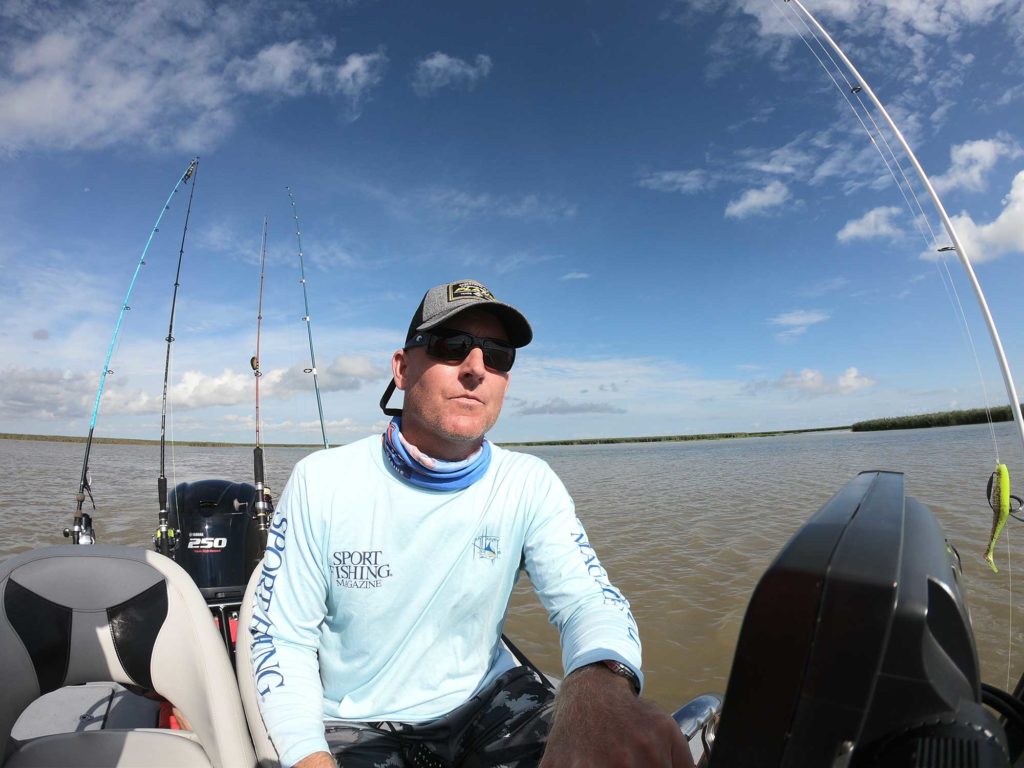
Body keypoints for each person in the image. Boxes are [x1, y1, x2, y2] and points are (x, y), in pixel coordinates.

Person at [250, 279, 692, 768]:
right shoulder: (322, 480)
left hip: (493, 702)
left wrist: (601, 687)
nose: (476, 368)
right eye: (450, 345)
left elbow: (587, 599)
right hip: (359, 727)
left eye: (498, 355)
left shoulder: (529, 482)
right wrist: (307, 756)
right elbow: (281, 639)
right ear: (401, 368)